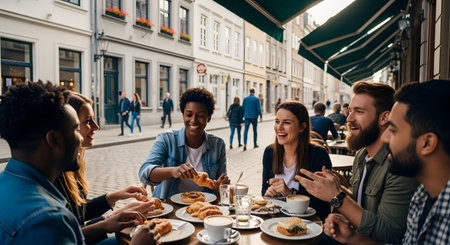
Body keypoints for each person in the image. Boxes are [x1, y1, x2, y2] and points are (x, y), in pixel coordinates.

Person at [0, 81, 158, 245]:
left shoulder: (6, 182)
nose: (81, 139)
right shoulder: (47, 220)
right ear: (53, 139)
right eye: (76, 129)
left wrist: (108, 217)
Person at [323, 80, 450, 245]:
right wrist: (352, 238)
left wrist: (337, 197)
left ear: (426, 143)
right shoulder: (422, 197)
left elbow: (389, 235)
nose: (385, 138)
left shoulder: (410, 180)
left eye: (394, 130)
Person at [297, 81, 419, 244]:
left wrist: (337, 196)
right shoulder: (362, 155)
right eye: (350, 111)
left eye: (359, 112)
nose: (349, 118)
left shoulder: (398, 164)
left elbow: (389, 235)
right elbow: (360, 204)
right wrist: (335, 189)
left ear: (384, 117)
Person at [54, 92, 156, 244]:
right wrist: (107, 223)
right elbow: (69, 237)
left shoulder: (73, 163)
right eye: (88, 121)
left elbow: (78, 212)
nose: (96, 126)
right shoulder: (54, 174)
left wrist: (115, 198)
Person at [139, 88, 230, 199]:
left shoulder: (218, 145)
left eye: (200, 115)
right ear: (183, 115)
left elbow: (221, 188)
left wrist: (220, 186)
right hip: (168, 208)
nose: (194, 120)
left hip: (203, 207)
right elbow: (144, 173)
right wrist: (173, 171)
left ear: (209, 117)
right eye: (189, 114)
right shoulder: (167, 139)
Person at [262, 101, 332, 220]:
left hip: (308, 225)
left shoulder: (318, 155)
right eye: (277, 121)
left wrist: (290, 193)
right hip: (275, 222)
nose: (279, 128)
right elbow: (264, 190)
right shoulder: (270, 152)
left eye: (287, 123)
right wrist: (268, 194)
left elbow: (323, 205)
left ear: (302, 127)